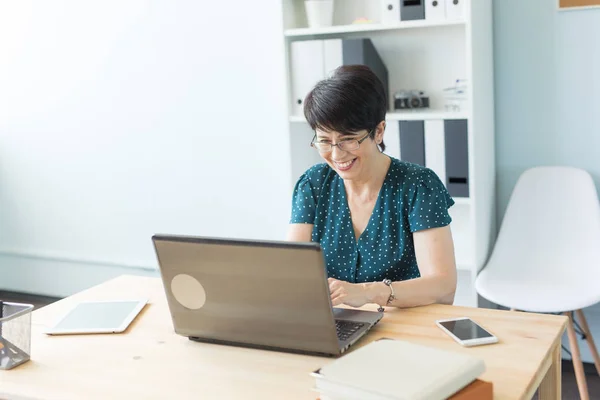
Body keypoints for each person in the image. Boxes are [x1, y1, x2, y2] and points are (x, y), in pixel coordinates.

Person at [287, 65, 457, 310]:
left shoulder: (417, 186)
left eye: (348, 140)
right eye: (324, 141)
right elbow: (290, 270)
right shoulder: (313, 184)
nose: (336, 154)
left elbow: (443, 288)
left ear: (378, 131)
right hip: (333, 324)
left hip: (401, 322)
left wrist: (369, 292)